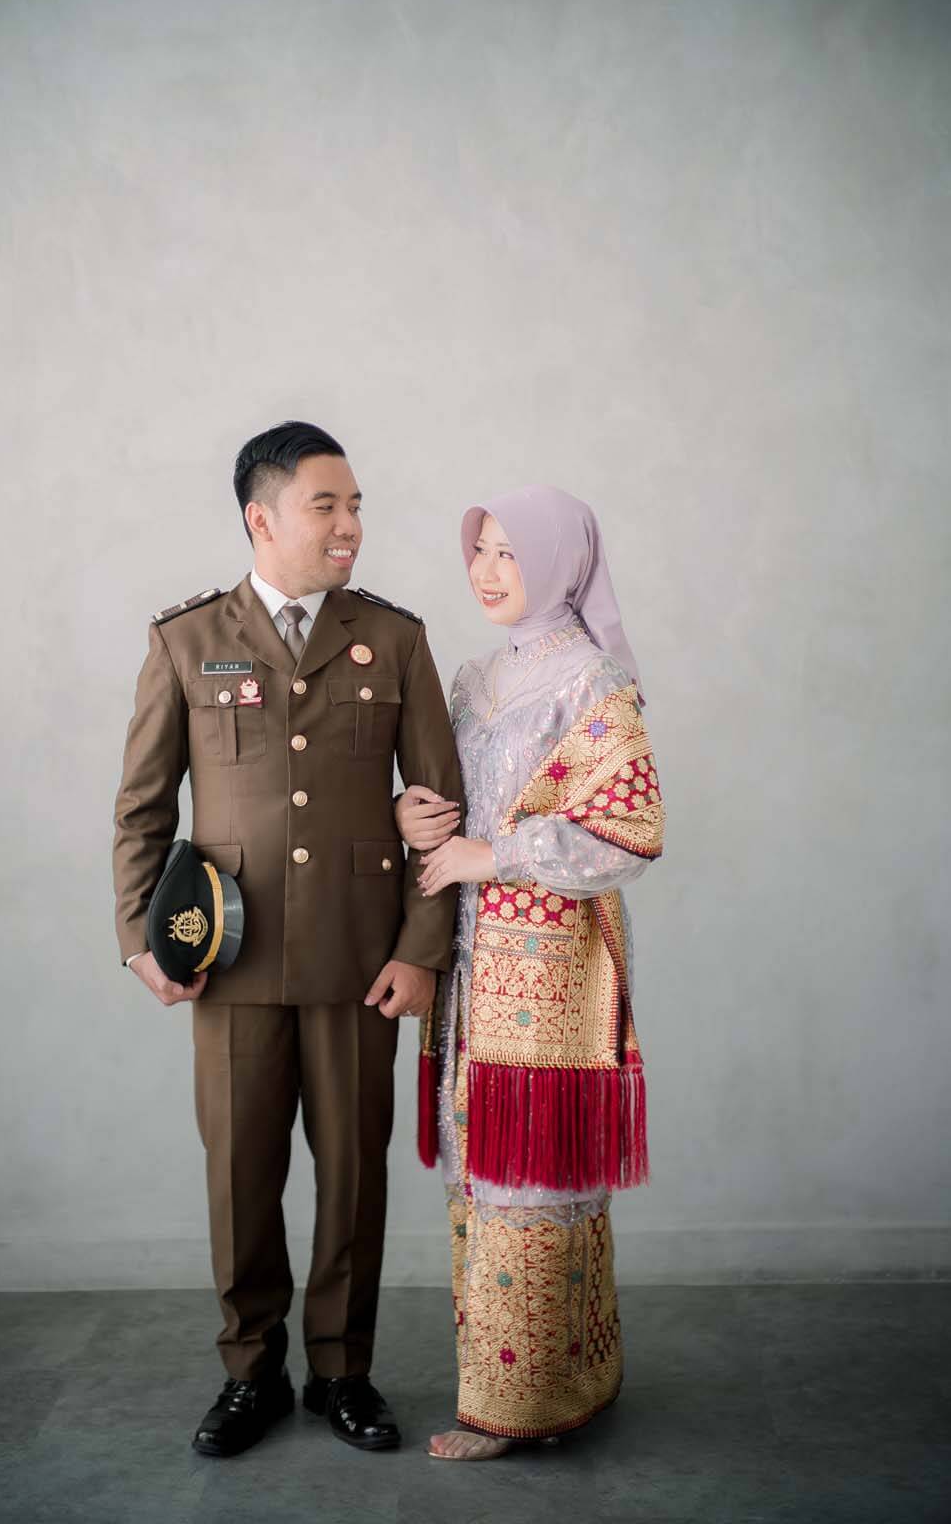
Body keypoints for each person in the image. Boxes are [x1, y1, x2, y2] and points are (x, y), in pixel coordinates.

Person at [112, 421, 463, 1457]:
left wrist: (421, 948)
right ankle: (249, 1373)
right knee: (240, 1175)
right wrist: (139, 936)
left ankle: (342, 1372)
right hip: (227, 958)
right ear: (260, 518)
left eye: (355, 506)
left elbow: (440, 808)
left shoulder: (393, 638)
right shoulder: (186, 641)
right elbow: (142, 807)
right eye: (327, 506)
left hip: (362, 960)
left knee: (352, 1175)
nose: (349, 524)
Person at [395, 486, 664, 1460]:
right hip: (470, 968)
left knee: (531, 1185)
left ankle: (512, 1408)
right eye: (480, 549)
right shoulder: (474, 680)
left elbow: (629, 829)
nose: (487, 570)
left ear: (558, 562)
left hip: (549, 974)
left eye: (510, 551)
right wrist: (410, 816)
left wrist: (491, 855)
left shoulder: (591, 682)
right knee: (476, 1176)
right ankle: (572, 1373)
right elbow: (444, 803)